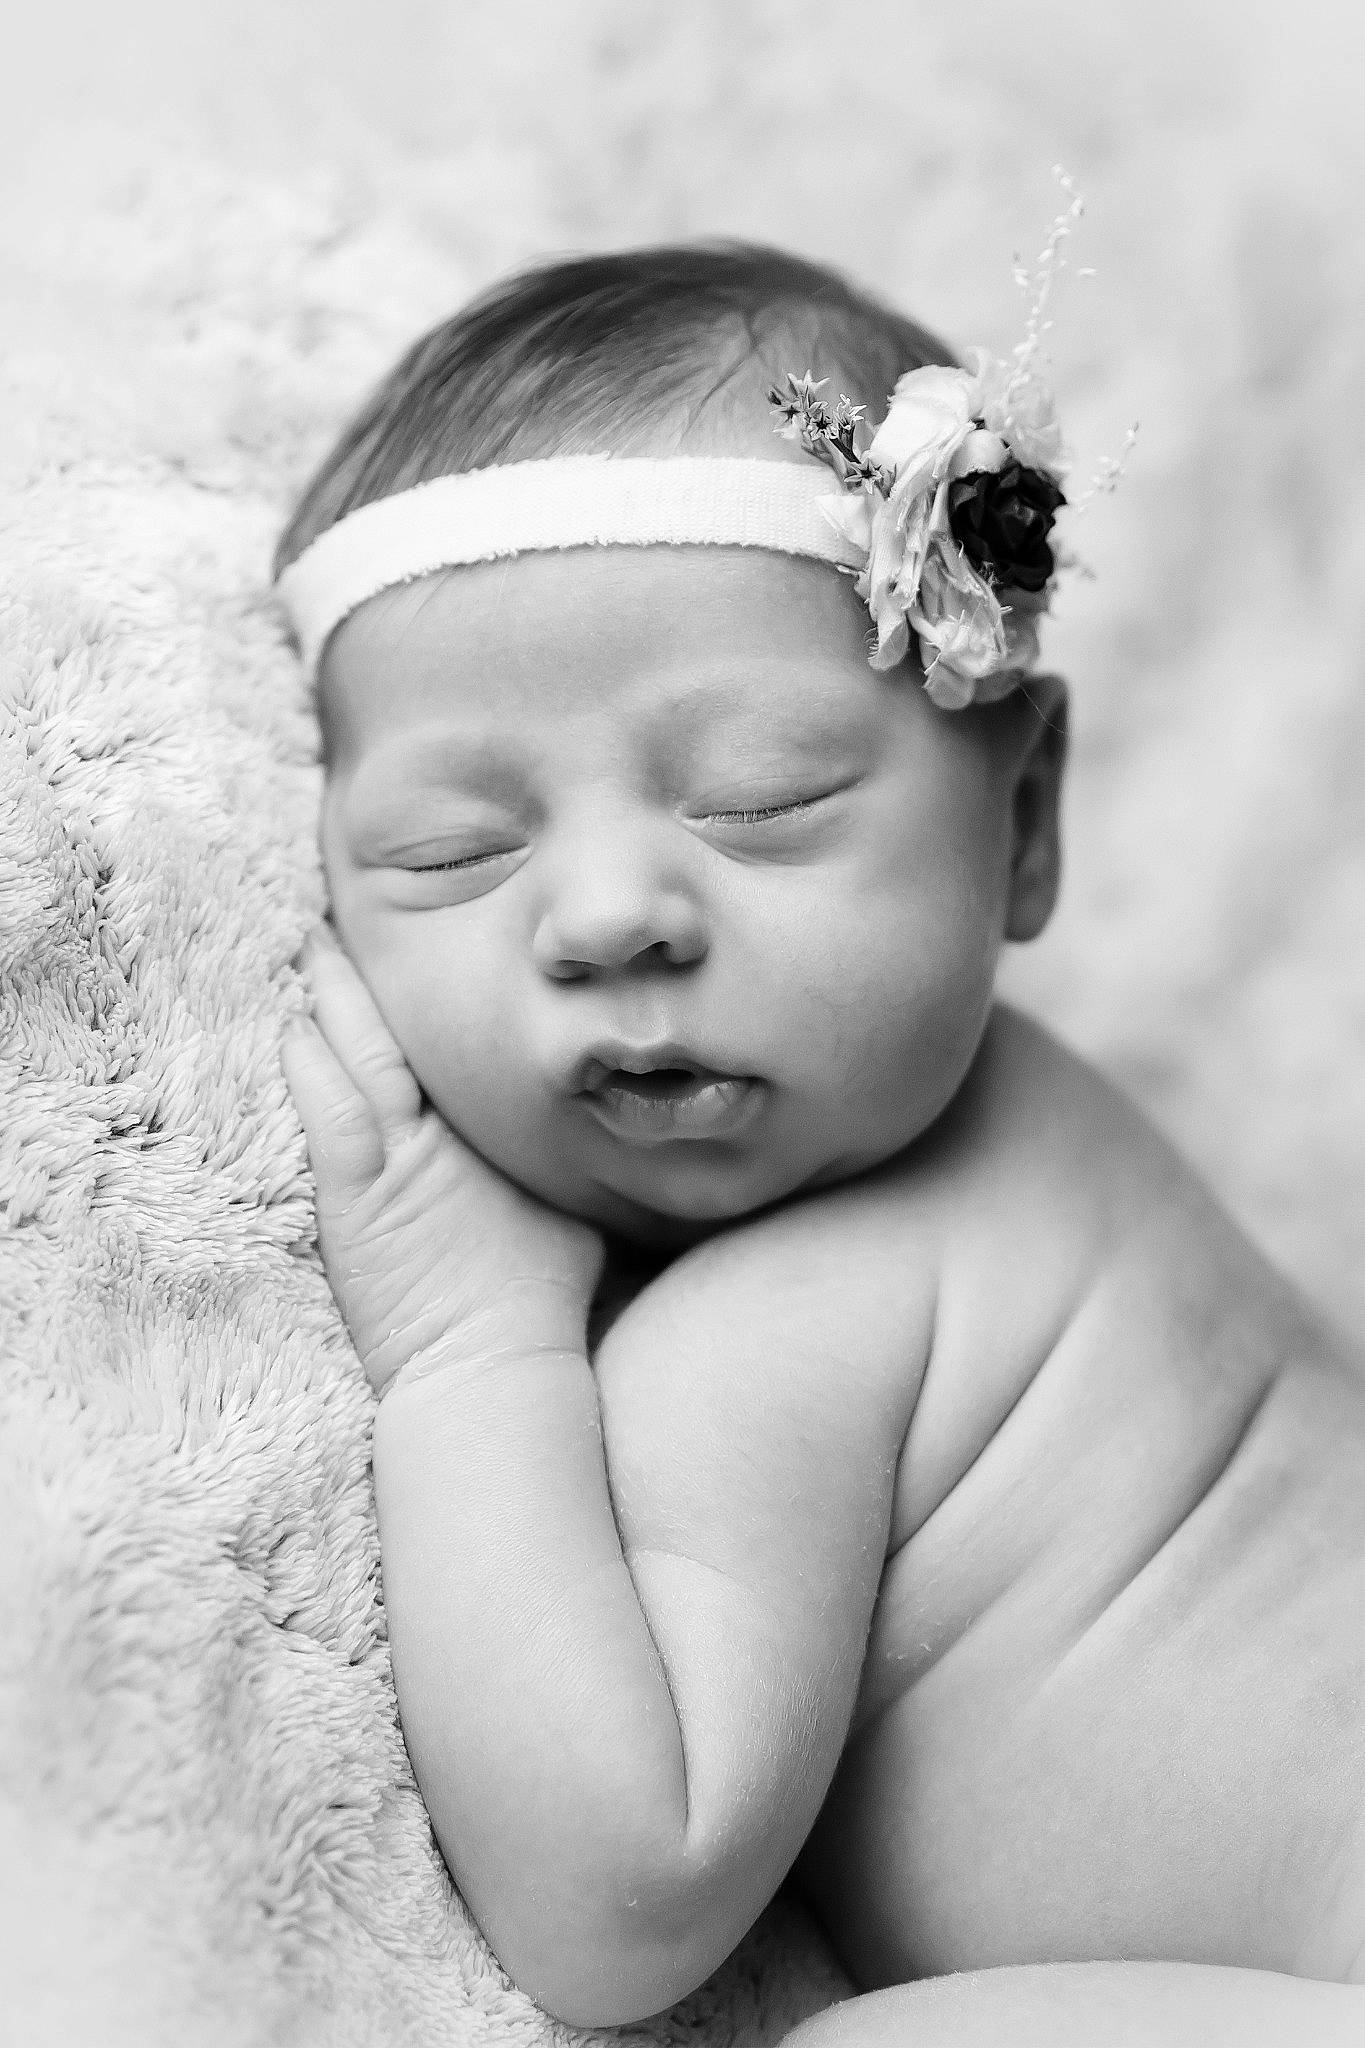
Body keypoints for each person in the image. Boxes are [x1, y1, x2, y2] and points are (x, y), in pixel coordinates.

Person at [275, 241, 1365, 2045]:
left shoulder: (775, 1336)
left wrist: (472, 1357)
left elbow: (616, 1906)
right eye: (453, 851)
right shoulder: (1057, 1137)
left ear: (1021, 821)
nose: (612, 913)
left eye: (762, 802)